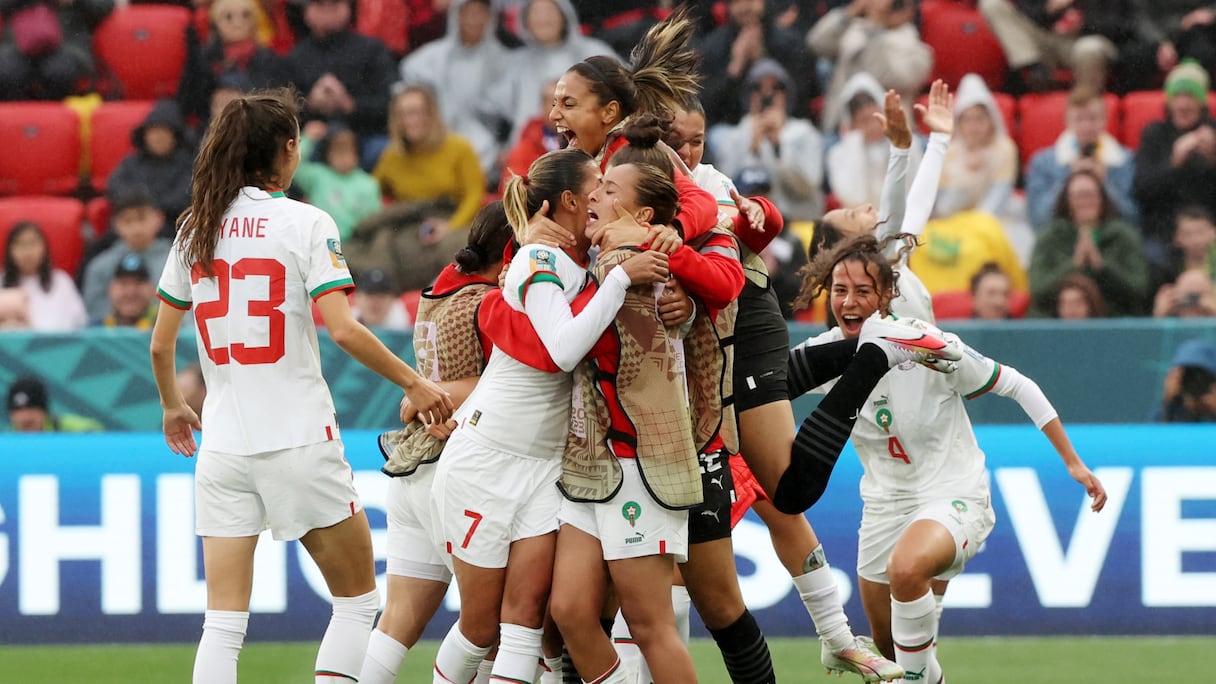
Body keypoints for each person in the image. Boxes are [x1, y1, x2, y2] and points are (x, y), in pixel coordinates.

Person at [148, 88, 453, 684]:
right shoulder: (306, 222)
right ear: (287, 151)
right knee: (358, 603)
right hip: (297, 440)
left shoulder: (196, 228)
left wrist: (172, 405)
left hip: (223, 447)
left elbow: (161, 344)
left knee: (223, 624)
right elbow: (341, 328)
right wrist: (414, 382)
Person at [796, 232, 1108, 683]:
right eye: (840, 291)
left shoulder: (927, 348)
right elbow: (764, 387)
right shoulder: (822, 354)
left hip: (953, 493)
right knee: (890, 653)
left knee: (908, 570)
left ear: (887, 296)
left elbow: (1017, 385)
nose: (849, 301)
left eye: (863, 291)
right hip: (884, 506)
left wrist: (1073, 462)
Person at [426, 148, 670, 684]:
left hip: (542, 468)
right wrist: (621, 279)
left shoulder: (567, 259)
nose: (603, 195)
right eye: (597, 187)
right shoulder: (539, 261)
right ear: (568, 200)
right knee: (480, 625)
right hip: (487, 459)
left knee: (525, 617)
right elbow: (562, 349)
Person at [359, 202, 514, 684]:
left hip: (413, 467)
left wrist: (422, 397)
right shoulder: (490, 303)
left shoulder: (438, 287)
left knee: (397, 621)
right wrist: (435, 397)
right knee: (498, 625)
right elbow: (504, 383)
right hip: (461, 471)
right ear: (509, 253)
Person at [371, 84, 487, 289]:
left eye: (415, 112)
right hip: (412, 221)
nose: (410, 120)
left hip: (453, 217)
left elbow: (474, 195)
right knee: (388, 247)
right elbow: (371, 190)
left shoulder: (459, 148)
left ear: (431, 114)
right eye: (402, 114)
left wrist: (450, 226)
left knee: (455, 247)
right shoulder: (392, 155)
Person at [399, 0, 511, 178]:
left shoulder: (504, 60)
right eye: (467, 13)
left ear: (491, 18)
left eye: (480, 13)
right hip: (437, 137)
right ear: (455, 17)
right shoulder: (432, 57)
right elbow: (409, 77)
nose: (474, 20)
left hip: (487, 146)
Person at [490, 0, 617, 148]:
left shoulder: (592, 52)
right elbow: (490, 109)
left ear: (564, 15)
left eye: (549, 11)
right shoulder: (515, 63)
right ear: (525, 20)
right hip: (529, 155)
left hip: (590, 150)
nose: (543, 19)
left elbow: (624, 90)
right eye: (536, 12)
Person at [713, 58, 826, 221]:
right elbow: (724, 192)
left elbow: (808, 187)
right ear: (748, 95)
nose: (767, 94)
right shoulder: (733, 137)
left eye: (776, 87)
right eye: (757, 87)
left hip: (797, 224)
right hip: (747, 222)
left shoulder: (805, 132)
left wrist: (779, 145)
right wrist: (752, 150)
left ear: (786, 94)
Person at [1028, 169, 1149, 317]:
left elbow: (1139, 288)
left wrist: (1102, 267)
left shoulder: (1122, 235)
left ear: (1102, 198)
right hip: (1057, 323)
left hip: (1113, 321)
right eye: (1079, 195)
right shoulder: (1050, 238)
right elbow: (1038, 290)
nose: (1085, 201)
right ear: (1067, 200)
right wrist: (1073, 265)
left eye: (1090, 194)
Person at [1133, 60, 1216, 267]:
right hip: (1165, 231)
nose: (1183, 105)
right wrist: (1173, 163)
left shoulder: (1212, 134)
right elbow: (1142, 190)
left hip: (1209, 227)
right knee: (1153, 259)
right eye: (1177, 97)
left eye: (1190, 97)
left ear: (1202, 102)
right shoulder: (1154, 134)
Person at [807, 0, 933, 134]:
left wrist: (876, 29)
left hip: (888, 135)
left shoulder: (918, 51)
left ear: (912, 10)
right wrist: (850, 12)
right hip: (839, 127)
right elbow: (817, 43)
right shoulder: (855, 29)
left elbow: (887, 77)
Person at [1025, 85, 1138, 231]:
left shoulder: (1125, 160)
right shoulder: (1042, 163)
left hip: (1111, 241)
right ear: (1067, 121)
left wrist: (1106, 184)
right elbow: (1038, 220)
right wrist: (1068, 181)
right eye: (1079, 119)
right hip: (1061, 240)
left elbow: (1134, 221)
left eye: (1093, 118)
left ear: (1105, 120)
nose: (1086, 126)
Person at [82, 187, 172, 320]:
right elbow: (94, 313)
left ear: (159, 218)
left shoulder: (178, 261)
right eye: (128, 221)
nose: (136, 228)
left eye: (142, 219)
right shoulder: (100, 266)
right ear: (115, 224)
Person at [106, 101, 196, 226]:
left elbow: (184, 197)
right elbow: (114, 186)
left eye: (164, 132)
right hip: (129, 225)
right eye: (153, 132)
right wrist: (137, 206)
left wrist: (151, 208)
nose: (158, 138)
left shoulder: (187, 164)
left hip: (171, 227)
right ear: (144, 136)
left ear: (175, 136)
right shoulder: (131, 162)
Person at [294, 121, 382, 242]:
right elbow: (294, 166)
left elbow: (374, 221)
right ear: (328, 153)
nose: (343, 157)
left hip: (354, 245)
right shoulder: (318, 176)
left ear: (357, 153)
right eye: (338, 151)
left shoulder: (369, 184)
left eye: (348, 150)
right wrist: (308, 138)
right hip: (319, 242)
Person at [1, 220, 87, 332]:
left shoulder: (61, 282)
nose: (28, 252)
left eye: (33, 243)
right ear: (10, 250)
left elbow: (80, 324)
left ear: (44, 247)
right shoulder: (1, 282)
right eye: (20, 244)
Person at [6, 375, 104, 432]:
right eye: (18, 411)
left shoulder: (70, 430)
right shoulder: (7, 442)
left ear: (44, 411)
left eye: (31, 409)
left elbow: (95, 433)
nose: (25, 417)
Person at [1155, 338, 1216, 422]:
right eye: (1187, 377)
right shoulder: (1174, 410)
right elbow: (1154, 432)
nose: (1195, 383)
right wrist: (1168, 403)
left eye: (1204, 378)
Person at [92, 252, 158, 329]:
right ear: (110, 289)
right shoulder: (94, 333)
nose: (131, 292)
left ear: (152, 288)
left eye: (139, 283)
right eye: (123, 283)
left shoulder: (169, 330)